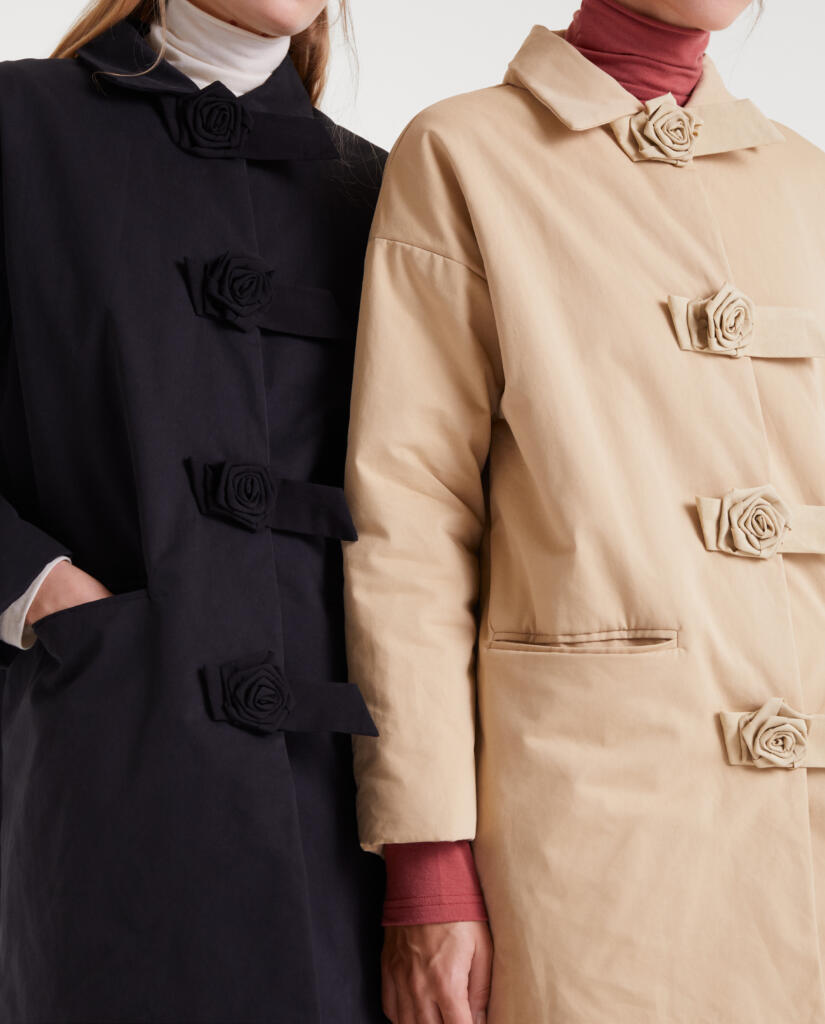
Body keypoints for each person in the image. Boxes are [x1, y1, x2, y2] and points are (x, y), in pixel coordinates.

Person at [343, 0, 825, 1020]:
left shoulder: (804, 181)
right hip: (586, 831)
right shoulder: (464, 154)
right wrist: (426, 864)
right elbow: (410, 523)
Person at [0, 1, 386, 1021]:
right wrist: (38, 592)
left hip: (350, 820)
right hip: (116, 780)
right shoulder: (21, 127)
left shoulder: (379, 190)